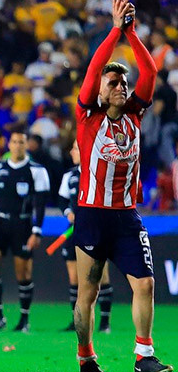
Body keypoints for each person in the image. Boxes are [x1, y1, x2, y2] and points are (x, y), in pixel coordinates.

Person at [72, 0, 172, 372]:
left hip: (127, 216)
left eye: (123, 82)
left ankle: (143, 356)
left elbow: (149, 72)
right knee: (89, 294)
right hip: (93, 215)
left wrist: (132, 34)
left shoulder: (134, 113)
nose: (121, 86)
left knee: (144, 284)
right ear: (99, 89)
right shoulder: (86, 114)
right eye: (113, 82)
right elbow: (96, 66)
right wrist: (115, 30)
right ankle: (85, 355)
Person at [0, 128, 50, 332]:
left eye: (21, 142)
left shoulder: (36, 170)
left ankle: (24, 320)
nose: (18, 146)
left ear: (26, 145)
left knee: (23, 274)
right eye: (14, 142)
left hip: (22, 225)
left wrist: (36, 230)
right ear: (8, 145)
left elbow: (40, 204)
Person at [57, 141, 112, 333]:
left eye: (75, 148)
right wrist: (67, 212)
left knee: (101, 275)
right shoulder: (70, 176)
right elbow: (62, 199)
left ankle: (105, 322)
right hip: (75, 230)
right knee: (74, 278)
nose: (72, 152)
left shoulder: (98, 173)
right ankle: (76, 320)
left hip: (97, 231)